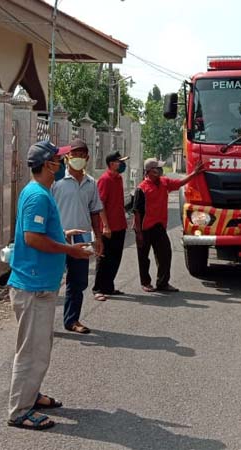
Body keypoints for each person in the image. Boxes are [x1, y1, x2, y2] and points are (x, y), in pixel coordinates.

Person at [6, 140, 93, 430]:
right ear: (47, 165)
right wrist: (71, 251)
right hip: (33, 285)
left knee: (40, 348)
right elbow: (32, 238)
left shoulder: (40, 192)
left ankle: (31, 395)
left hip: (39, 284)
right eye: (58, 160)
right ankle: (20, 410)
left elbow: (40, 232)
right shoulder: (38, 196)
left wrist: (63, 233)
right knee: (31, 351)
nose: (62, 164)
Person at [51, 139, 110, 334]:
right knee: (50, 282)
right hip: (57, 238)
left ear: (87, 157)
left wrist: (98, 238)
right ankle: (44, 323)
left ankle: (72, 320)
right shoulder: (56, 181)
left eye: (82, 154)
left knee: (78, 282)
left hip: (82, 240)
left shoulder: (90, 183)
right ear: (67, 156)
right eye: (74, 153)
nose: (78, 157)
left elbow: (95, 212)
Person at [133, 157, 205, 292]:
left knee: (165, 254)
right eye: (157, 168)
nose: (160, 170)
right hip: (144, 228)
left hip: (159, 226)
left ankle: (163, 283)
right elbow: (137, 212)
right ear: (150, 171)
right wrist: (138, 233)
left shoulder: (164, 182)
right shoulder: (141, 189)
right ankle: (145, 282)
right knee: (143, 257)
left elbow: (179, 183)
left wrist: (194, 173)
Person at [93, 151, 130, 296]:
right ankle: (98, 288)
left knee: (115, 258)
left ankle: (108, 286)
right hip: (108, 227)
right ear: (111, 164)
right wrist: (106, 226)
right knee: (103, 258)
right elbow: (100, 204)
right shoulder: (105, 179)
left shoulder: (119, 178)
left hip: (120, 224)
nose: (121, 164)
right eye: (119, 161)